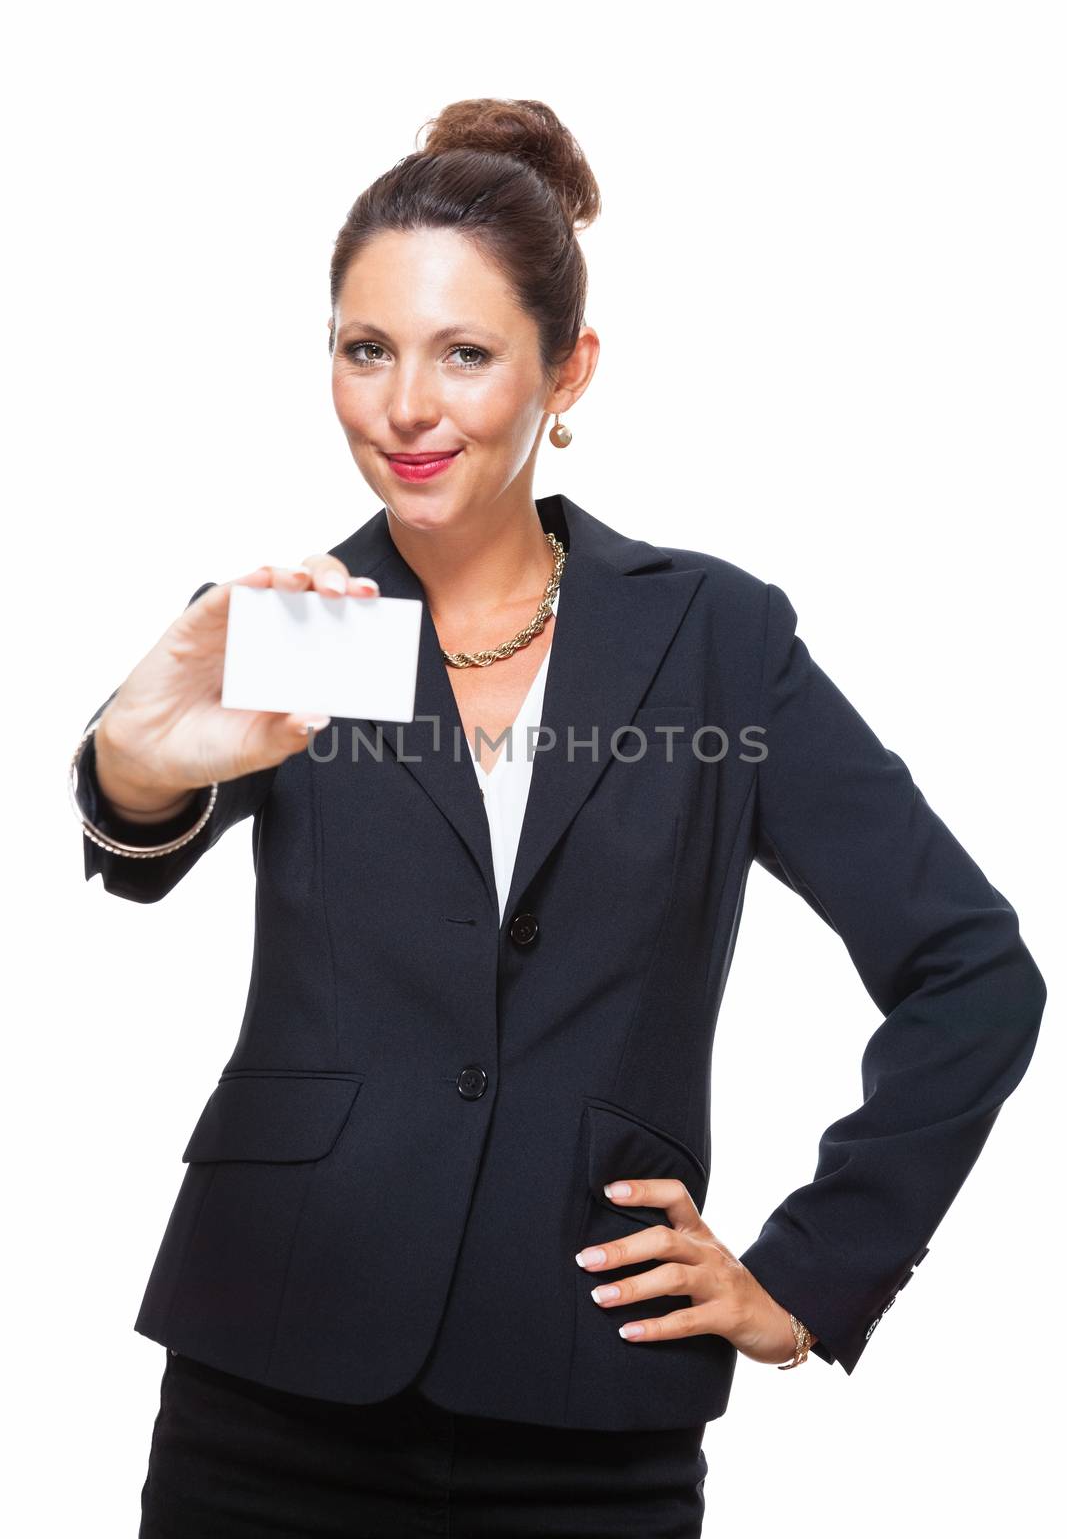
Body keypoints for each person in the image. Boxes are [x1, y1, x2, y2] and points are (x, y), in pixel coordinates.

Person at [70, 98, 1047, 1539]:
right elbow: (135, 836)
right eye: (366, 349)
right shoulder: (295, 619)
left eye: (464, 354)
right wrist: (133, 771)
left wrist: (807, 1273)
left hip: (588, 1400)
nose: (406, 407)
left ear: (566, 371)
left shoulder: (717, 638)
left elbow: (973, 971)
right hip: (269, 1369)